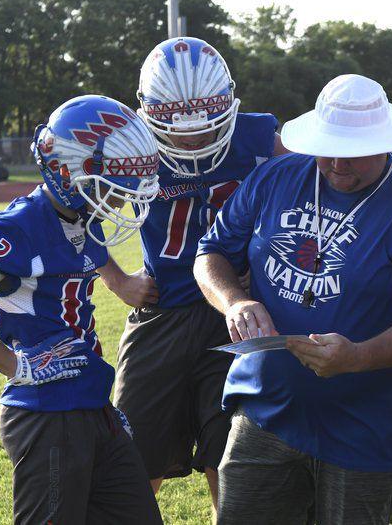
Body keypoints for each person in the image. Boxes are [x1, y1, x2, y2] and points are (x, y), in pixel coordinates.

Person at [193, 73, 392, 524]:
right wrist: (234, 301)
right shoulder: (276, 178)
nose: (338, 165)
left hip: (369, 428)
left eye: (354, 153)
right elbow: (210, 253)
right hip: (268, 408)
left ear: (389, 144)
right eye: (329, 149)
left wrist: (358, 356)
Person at [96, 36, 286, 518]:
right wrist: (117, 280)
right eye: (176, 127)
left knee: (231, 457)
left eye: (207, 123)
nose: (193, 138)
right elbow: (75, 213)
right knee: (133, 454)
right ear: (147, 112)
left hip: (237, 311)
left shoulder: (262, 136)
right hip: (163, 310)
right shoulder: (130, 144)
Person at [0, 95, 163, 523]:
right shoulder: (19, 228)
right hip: (44, 415)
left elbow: (88, 253)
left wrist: (120, 282)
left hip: (92, 407)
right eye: (110, 184)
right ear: (68, 171)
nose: (122, 198)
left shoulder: (82, 216)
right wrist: (16, 365)